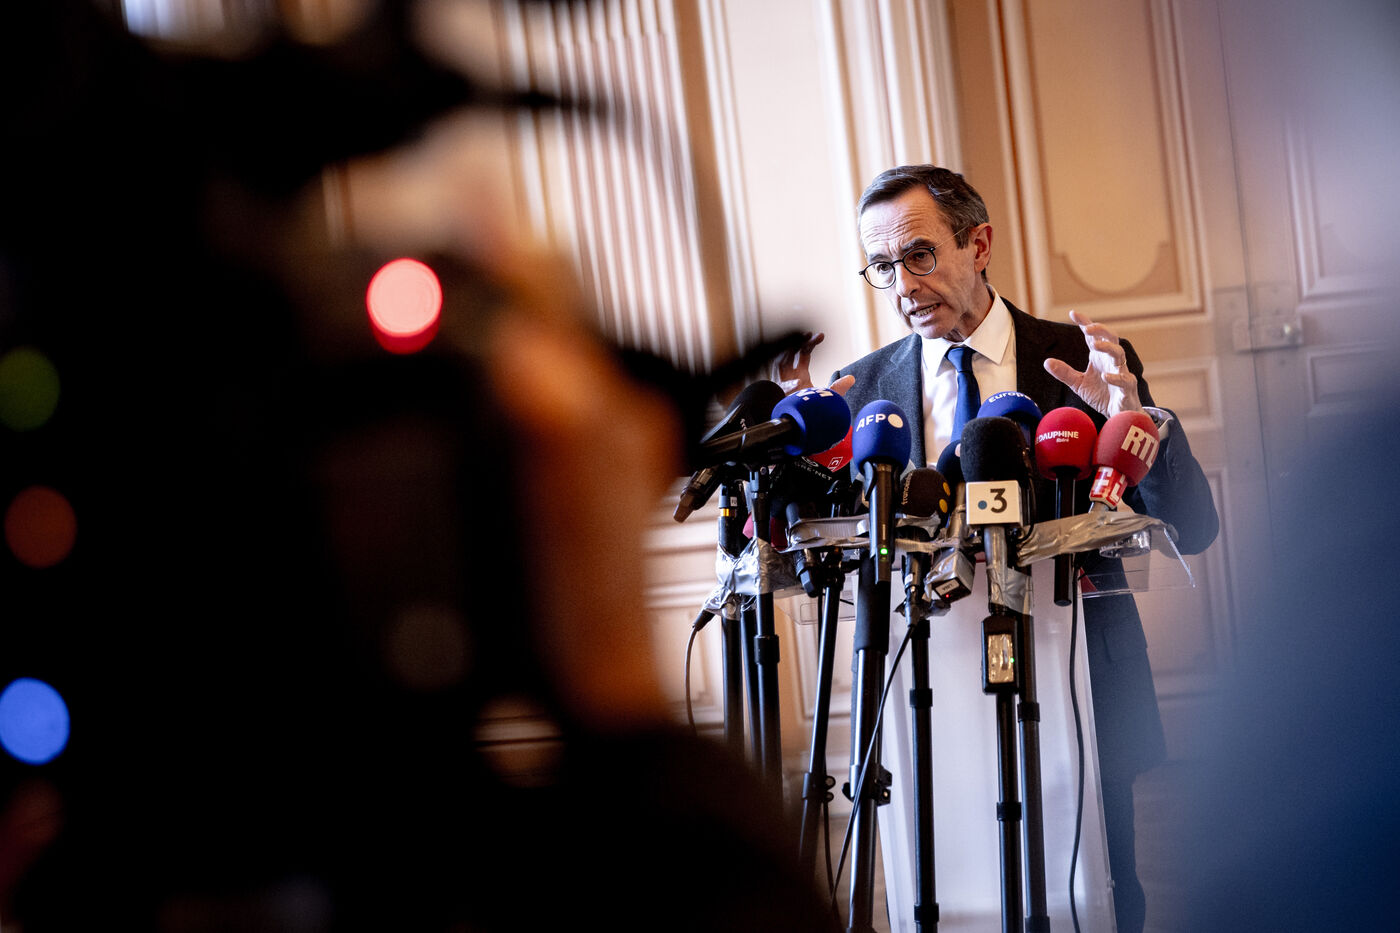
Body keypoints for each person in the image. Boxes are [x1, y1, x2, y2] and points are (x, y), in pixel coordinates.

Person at [787, 164, 1219, 932]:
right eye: (882, 266)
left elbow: (1192, 525)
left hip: (1079, 683)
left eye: (919, 255)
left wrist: (1139, 419)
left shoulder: (1080, 360)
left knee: (1102, 893)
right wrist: (803, 453)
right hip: (924, 689)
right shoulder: (865, 388)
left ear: (978, 244)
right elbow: (824, 553)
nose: (903, 286)